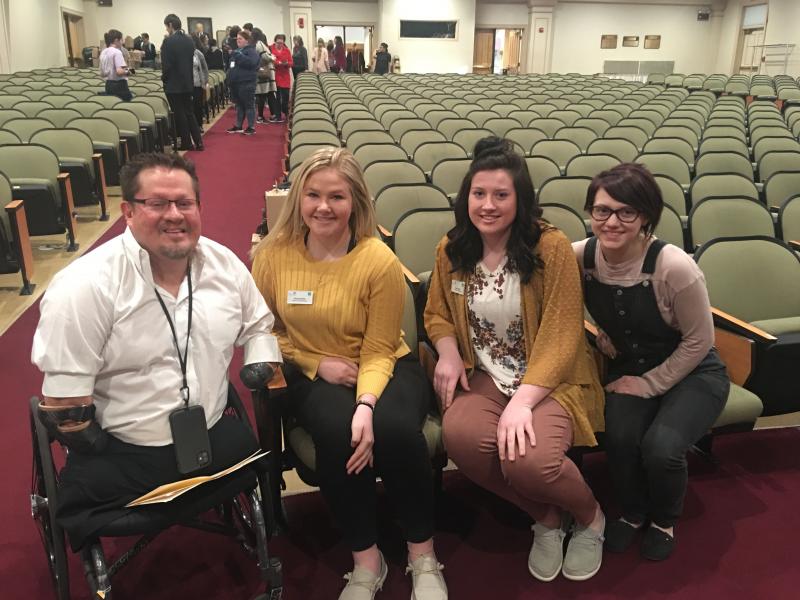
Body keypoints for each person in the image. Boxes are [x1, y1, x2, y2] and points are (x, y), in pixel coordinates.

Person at [31, 152, 282, 551]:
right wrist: (95, 446)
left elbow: (259, 326)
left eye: (184, 203)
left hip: (210, 434)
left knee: (259, 458)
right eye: (157, 204)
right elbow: (65, 402)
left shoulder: (225, 266)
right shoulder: (84, 286)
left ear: (199, 207)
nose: (174, 215)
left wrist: (259, 363)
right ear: (128, 211)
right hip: (126, 449)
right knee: (81, 494)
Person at [251, 147, 448, 600]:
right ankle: (367, 559)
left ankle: (422, 554)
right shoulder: (272, 254)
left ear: (355, 202)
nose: (324, 206)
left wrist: (366, 403)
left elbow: (380, 346)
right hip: (313, 370)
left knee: (395, 429)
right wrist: (315, 363)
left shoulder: (376, 259)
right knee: (340, 435)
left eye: (337, 197)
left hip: (385, 364)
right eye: (314, 195)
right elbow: (263, 331)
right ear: (298, 198)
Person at [423, 137, 606, 583]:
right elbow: (436, 313)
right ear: (466, 196)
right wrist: (447, 350)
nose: (488, 205)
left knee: (528, 462)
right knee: (462, 437)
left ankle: (590, 517)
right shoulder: (453, 248)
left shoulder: (550, 247)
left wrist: (523, 402)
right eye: (479, 194)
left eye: (501, 195)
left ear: (520, 199)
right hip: (486, 373)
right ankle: (545, 518)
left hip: (550, 377)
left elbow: (564, 333)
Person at [573, 163, 729, 561]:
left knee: (661, 447)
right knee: (621, 439)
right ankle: (633, 511)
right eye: (602, 210)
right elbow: (547, 290)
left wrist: (650, 384)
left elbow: (700, 340)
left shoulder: (674, 267)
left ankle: (663, 519)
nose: (612, 221)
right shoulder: (581, 256)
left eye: (627, 212)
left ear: (646, 216)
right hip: (630, 364)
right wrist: (596, 332)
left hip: (694, 371)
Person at [161, 14, 203, 151]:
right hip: (187, 83)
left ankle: (187, 143)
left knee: (179, 114)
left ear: (171, 25)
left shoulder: (168, 41)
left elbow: (166, 65)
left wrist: (164, 79)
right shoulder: (189, 40)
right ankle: (199, 142)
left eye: (166, 26)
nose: (167, 29)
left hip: (173, 84)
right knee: (189, 113)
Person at [225, 29, 259, 135]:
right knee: (239, 105)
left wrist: (237, 55)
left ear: (247, 40)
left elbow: (251, 63)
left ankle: (251, 127)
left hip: (247, 83)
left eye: (240, 39)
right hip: (236, 83)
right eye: (237, 39)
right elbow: (231, 66)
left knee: (249, 105)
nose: (238, 41)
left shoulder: (251, 51)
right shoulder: (236, 52)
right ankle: (238, 125)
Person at [99, 29, 132, 101]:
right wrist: (131, 71)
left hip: (108, 84)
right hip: (119, 85)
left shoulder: (104, 52)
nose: (122, 42)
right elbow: (119, 71)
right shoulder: (117, 52)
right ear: (116, 40)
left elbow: (102, 73)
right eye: (121, 40)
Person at [253, 29, 276, 124]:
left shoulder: (255, 45)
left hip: (261, 71)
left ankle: (267, 115)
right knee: (263, 94)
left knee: (264, 94)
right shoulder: (260, 44)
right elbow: (265, 57)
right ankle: (261, 116)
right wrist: (273, 57)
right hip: (265, 72)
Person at [269, 34, 292, 124]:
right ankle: (278, 116)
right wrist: (278, 63)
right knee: (277, 98)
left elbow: (291, 62)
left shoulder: (287, 50)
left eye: (281, 43)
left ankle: (286, 114)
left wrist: (286, 63)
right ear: (275, 42)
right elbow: (271, 60)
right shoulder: (272, 49)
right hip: (276, 75)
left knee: (285, 97)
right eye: (278, 43)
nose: (280, 45)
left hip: (285, 76)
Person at [191, 33, 210, 140]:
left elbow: (205, 69)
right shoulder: (184, 54)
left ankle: (199, 125)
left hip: (198, 84)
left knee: (197, 106)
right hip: (187, 85)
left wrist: (205, 82)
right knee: (190, 107)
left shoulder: (198, 54)